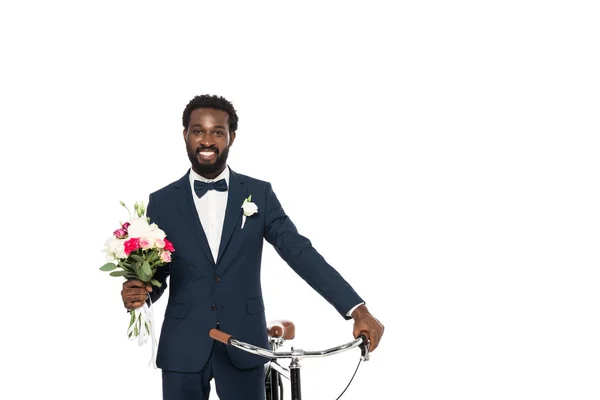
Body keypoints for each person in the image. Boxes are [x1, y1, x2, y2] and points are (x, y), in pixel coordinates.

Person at [121, 94, 384, 400]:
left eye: (217, 132)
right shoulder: (162, 201)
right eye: (198, 131)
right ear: (185, 135)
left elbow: (299, 251)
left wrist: (357, 309)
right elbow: (158, 272)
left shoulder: (259, 193)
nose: (207, 140)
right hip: (183, 345)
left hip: (244, 343)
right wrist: (141, 292)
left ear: (231, 136)